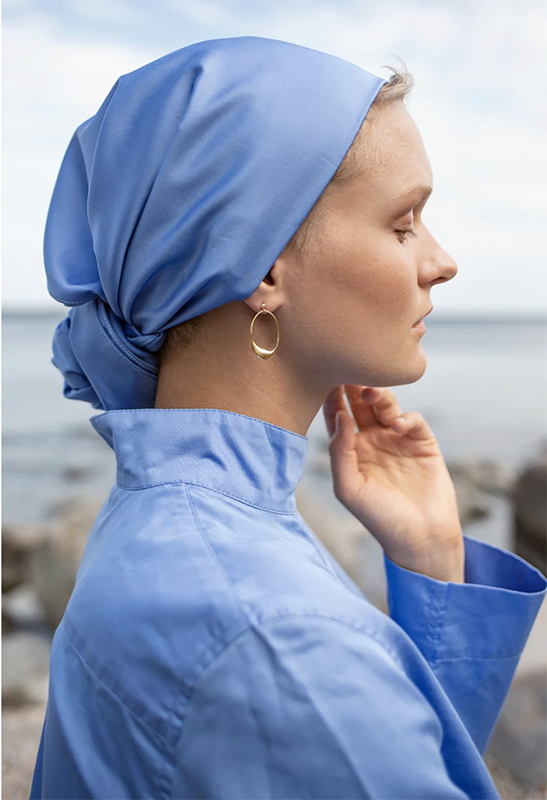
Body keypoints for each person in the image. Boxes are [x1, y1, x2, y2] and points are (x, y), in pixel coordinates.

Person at [29, 35, 546, 800]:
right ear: (262, 263)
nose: (440, 261)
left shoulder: (175, 529)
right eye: (403, 224)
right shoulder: (272, 633)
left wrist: (432, 555)